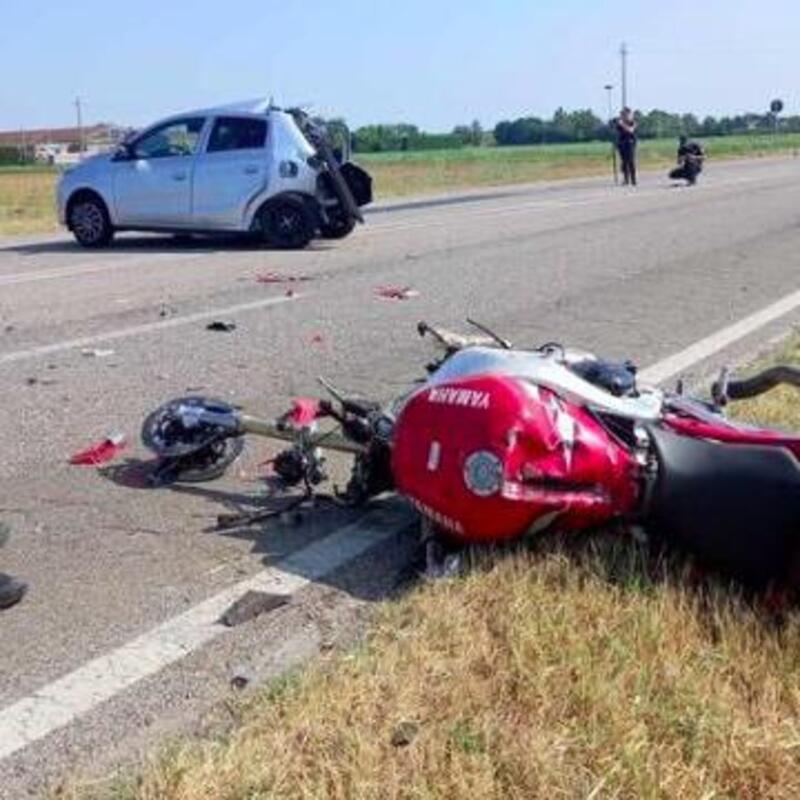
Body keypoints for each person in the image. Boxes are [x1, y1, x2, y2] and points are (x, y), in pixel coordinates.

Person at [615, 107, 638, 186]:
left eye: (624, 114)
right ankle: (626, 179)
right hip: (622, 143)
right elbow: (618, 132)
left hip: (630, 143)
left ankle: (633, 179)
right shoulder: (620, 123)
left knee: (631, 161)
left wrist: (622, 124)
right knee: (624, 162)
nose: (622, 116)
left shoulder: (632, 122)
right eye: (622, 115)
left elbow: (630, 130)